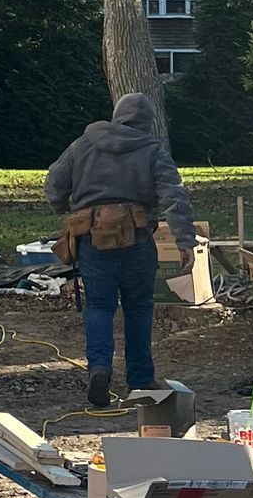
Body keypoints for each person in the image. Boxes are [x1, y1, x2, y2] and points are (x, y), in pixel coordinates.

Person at [42, 91, 195, 408]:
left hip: (93, 242)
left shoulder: (84, 144)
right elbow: (173, 196)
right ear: (146, 123)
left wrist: (67, 210)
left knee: (98, 306)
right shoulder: (152, 150)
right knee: (138, 308)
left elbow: (54, 183)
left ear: (117, 116)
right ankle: (140, 381)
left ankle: (99, 368)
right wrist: (184, 240)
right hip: (137, 242)